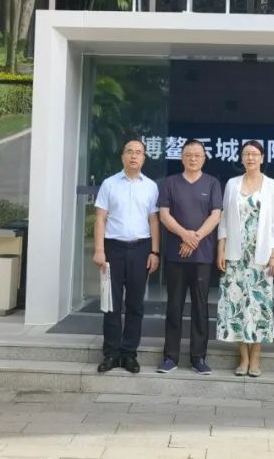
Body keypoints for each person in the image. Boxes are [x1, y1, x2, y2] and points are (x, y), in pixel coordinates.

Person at [216, 140, 274, 377]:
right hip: (235, 255)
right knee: (236, 305)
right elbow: (224, 219)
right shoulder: (232, 184)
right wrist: (221, 249)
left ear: (262, 158)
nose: (251, 158)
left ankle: (256, 357)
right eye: (246, 154)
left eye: (255, 154)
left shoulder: (271, 185)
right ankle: (242, 357)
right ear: (241, 158)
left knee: (258, 307)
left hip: (261, 256)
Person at [92, 138, 160, 374]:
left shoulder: (151, 186)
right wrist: (99, 249)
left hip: (141, 249)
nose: (133, 156)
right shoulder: (109, 184)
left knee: (135, 304)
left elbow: (154, 221)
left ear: (144, 158)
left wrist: (154, 252)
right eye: (129, 151)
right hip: (113, 249)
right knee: (110, 303)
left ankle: (129, 353)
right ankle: (111, 353)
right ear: (122, 156)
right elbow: (100, 218)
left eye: (138, 152)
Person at [156, 139, 223, 375]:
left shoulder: (212, 183)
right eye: (188, 155)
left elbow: (215, 215)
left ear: (204, 158)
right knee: (174, 306)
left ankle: (198, 358)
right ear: (182, 157)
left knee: (200, 308)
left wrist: (195, 238)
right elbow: (164, 215)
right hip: (176, 255)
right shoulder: (170, 183)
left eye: (197, 155)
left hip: (202, 255)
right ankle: (170, 357)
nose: (193, 159)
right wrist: (185, 235)